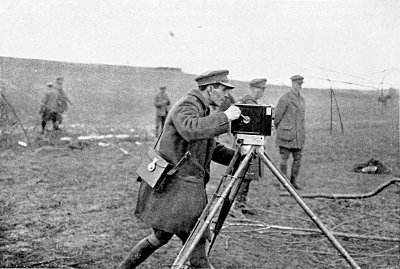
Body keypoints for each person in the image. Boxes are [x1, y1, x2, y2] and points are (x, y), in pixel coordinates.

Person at [119, 70, 247, 269]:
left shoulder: (201, 109)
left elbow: (209, 146)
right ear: (211, 89)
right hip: (177, 188)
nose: (225, 96)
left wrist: (240, 155)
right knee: (196, 242)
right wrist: (225, 117)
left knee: (161, 236)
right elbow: (191, 129)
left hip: (178, 189)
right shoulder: (187, 105)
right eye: (223, 90)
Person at [234, 78, 268, 215]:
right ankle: (237, 205)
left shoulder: (250, 102)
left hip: (249, 144)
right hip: (248, 145)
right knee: (244, 175)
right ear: (254, 88)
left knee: (247, 175)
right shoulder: (249, 103)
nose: (262, 92)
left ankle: (241, 203)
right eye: (261, 89)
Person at [274, 75, 306, 190]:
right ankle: (283, 183)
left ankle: (293, 182)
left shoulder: (302, 99)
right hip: (286, 134)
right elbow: (277, 117)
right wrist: (282, 129)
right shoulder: (285, 98)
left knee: (298, 159)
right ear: (292, 84)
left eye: (301, 85)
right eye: (298, 84)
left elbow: (302, 119)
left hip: (298, 135)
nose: (299, 87)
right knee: (284, 159)